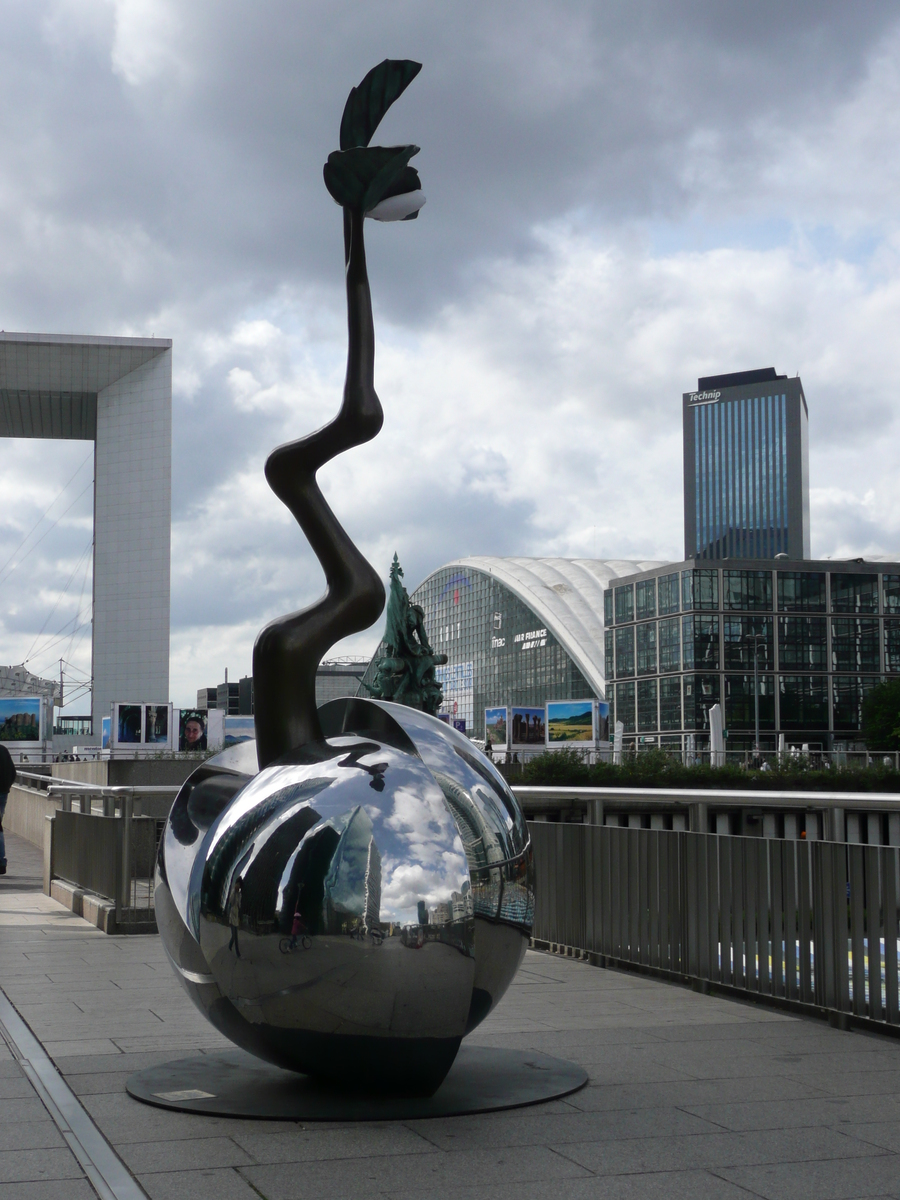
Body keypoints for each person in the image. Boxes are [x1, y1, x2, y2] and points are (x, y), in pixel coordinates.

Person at [0, 742, 16, 876]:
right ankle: (1, 862)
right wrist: (6, 788)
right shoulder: (3, 750)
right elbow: (13, 772)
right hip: (2, 793)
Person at [228, 877, 243, 958]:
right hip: (232, 916)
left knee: (235, 936)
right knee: (234, 936)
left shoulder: (239, 894)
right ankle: (234, 950)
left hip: (236, 917)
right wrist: (234, 892)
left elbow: (239, 905)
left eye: (239, 885)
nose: (238, 886)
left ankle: (233, 949)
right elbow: (231, 902)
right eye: (237, 884)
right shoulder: (233, 892)